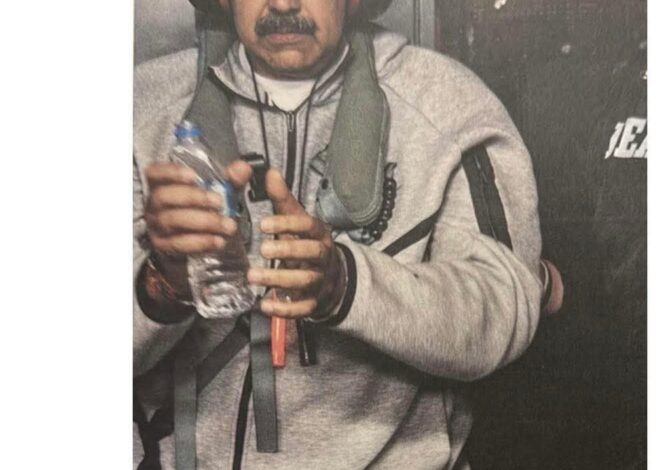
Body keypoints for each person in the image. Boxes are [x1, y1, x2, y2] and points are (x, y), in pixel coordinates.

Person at [133, 1, 544, 468]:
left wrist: (347, 284)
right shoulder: (138, 108)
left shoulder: (449, 103)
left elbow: (506, 310)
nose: (283, 4)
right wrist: (165, 282)